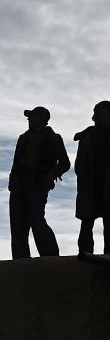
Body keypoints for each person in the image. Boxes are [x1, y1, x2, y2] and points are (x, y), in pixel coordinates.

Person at [8, 106, 70, 259]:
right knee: (18, 227)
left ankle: (50, 257)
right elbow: (16, 163)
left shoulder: (54, 138)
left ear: (43, 118)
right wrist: (12, 181)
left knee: (37, 221)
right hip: (19, 186)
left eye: (33, 116)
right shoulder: (23, 138)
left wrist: (52, 174)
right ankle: (20, 262)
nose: (29, 119)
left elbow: (65, 163)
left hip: (37, 185)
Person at [74, 101, 110, 254]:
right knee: (86, 225)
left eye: (108, 113)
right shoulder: (86, 137)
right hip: (90, 187)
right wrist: (84, 181)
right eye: (101, 113)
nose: (104, 117)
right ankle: (85, 257)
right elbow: (79, 164)